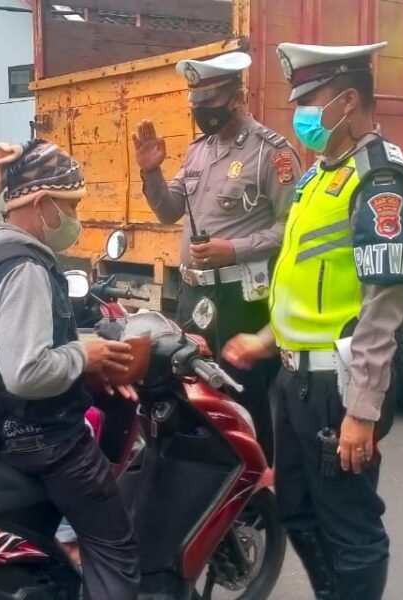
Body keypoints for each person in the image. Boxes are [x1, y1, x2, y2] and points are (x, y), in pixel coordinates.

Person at [223, 42, 403, 600]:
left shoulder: (379, 181)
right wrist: (267, 339)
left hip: (339, 384)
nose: (300, 115)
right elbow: (306, 278)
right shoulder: (320, 177)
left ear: (348, 100)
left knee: (350, 526)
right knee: (296, 511)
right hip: (296, 380)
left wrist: (362, 409)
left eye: (309, 102)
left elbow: (382, 304)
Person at [0, 139, 140, 599]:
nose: (74, 219)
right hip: (47, 438)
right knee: (115, 548)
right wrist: (83, 356)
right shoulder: (23, 267)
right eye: (71, 206)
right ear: (42, 203)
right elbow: (26, 372)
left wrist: (80, 348)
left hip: (3, 427)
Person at [132, 51, 300, 465]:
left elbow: (292, 229)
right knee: (196, 392)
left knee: (243, 396)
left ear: (236, 97)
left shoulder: (271, 154)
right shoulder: (198, 151)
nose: (200, 111)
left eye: (209, 101)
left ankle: (258, 480)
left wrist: (234, 249)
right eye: (195, 102)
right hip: (194, 297)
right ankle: (212, 476)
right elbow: (169, 210)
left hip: (241, 300)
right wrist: (151, 171)